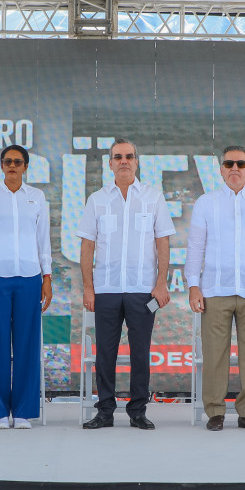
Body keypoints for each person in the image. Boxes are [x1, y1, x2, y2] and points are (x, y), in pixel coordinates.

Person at [78, 138, 174, 430]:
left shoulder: (153, 197)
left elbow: (163, 242)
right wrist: (88, 288)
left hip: (143, 289)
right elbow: (87, 247)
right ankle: (105, 411)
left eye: (129, 156)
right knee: (105, 354)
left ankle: (138, 411)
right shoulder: (97, 200)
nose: (124, 161)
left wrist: (161, 283)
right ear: (110, 163)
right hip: (106, 289)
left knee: (140, 352)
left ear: (136, 162)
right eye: (118, 157)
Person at [186, 146, 245, 432]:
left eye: (240, 164)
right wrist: (193, 285)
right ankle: (215, 411)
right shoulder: (206, 203)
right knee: (214, 354)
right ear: (221, 169)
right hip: (215, 289)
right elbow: (195, 247)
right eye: (229, 164)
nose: (235, 169)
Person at [0, 144, 52, 429]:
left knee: (28, 344)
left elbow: (43, 240)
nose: (12, 166)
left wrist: (47, 277)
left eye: (18, 162)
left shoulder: (37, 197)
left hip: (30, 277)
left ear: (26, 167)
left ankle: (22, 412)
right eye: (8, 162)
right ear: (2, 166)